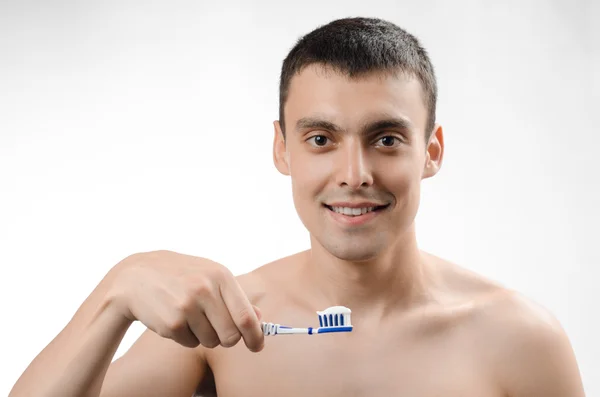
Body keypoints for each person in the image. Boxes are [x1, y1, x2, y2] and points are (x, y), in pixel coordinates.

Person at [9, 17, 585, 397]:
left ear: (430, 152)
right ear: (282, 149)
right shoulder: (222, 325)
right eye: (321, 139)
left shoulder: (522, 340)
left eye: (386, 139)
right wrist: (116, 291)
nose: (354, 175)